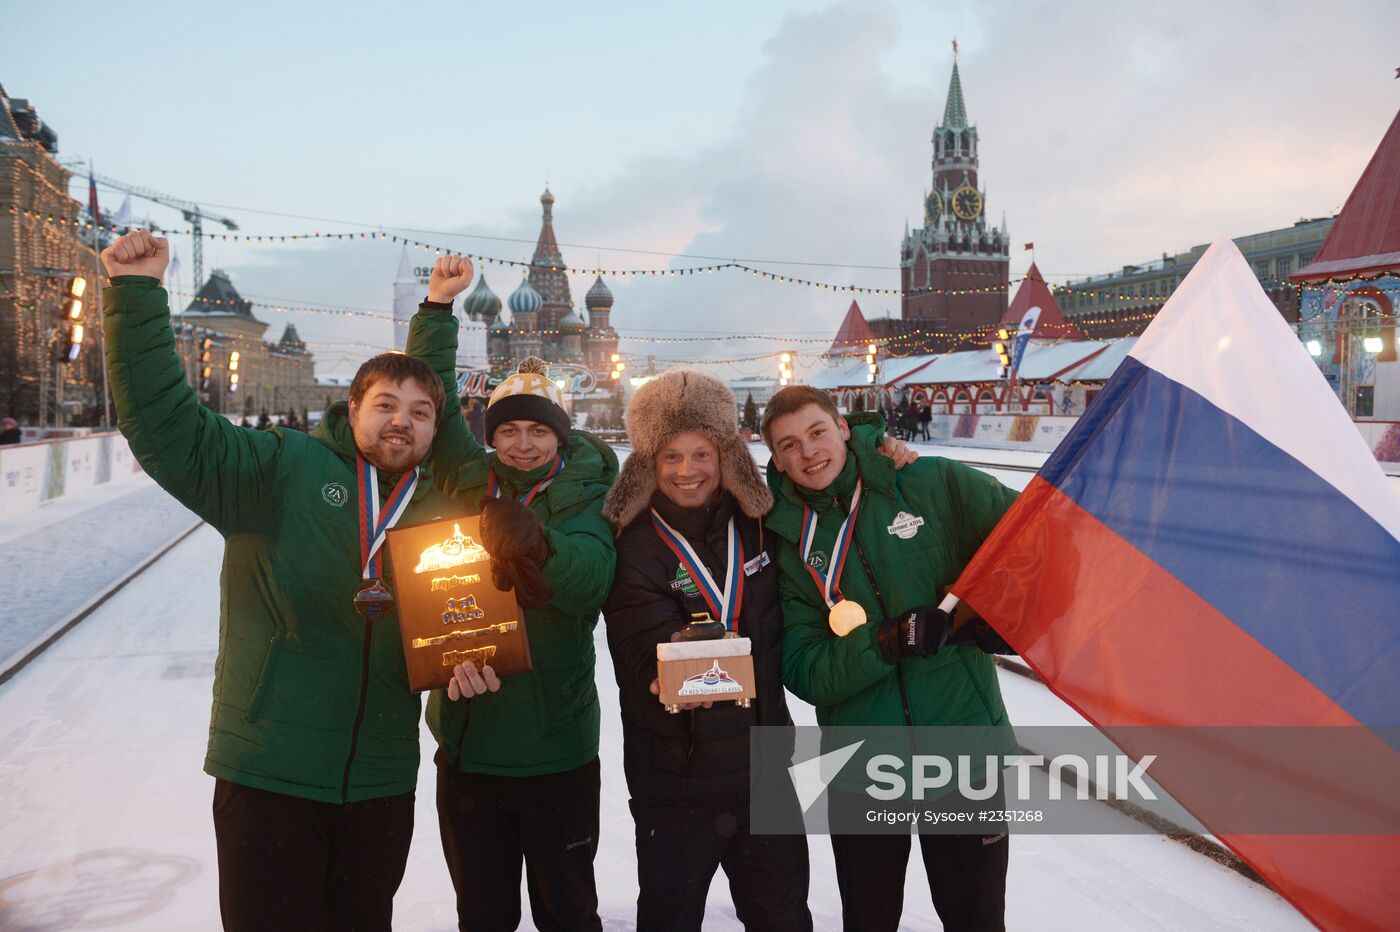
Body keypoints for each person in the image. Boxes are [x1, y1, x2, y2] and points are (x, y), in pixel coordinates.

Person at [100, 230, 460, 931]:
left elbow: (459, 622)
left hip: (383, 779)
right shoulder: (276, 468)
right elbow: (172, 433)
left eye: (420, 413)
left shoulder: (438, 508)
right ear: (350, 409)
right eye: (385, 403)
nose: (402, 421)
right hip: (272, 771)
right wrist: (138, 294)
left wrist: (437, 308)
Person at [404, 266, 618, 932]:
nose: (523, 443)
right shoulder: (471, 480)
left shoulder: (589, 495)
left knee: (569, 912)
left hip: (558, 751)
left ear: (560, 436)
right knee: (484, 913)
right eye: (509, 431)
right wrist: (438, 307)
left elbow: (591, 575)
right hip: (471, 747)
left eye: (539, 431)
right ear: (491, 435)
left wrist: (540, 544)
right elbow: (432, 404)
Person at [761, 384, 1019, 932]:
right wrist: (884, 643)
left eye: (816, 433)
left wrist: (1006, 616)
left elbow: (1031, 538)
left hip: (963, 749)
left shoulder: (929, 481)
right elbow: (804, 668)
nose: (808, 453)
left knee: (977, 919)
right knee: (870, 919)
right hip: (863, 767)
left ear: (844, 429)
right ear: (776, 460)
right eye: (789, 445)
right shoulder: (784, 539)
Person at [600, 369, 813, 932]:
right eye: (670, 456)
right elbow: (641, 646)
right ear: (648, 461)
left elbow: (828, 479)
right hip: (676, 778)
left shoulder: (761, 524)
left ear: (726, 455)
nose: (687, 470)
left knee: (784, 916)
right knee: (671, 919)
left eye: (701, 453)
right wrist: (665, 663)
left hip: (766, 769)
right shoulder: (634, 545)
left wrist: (879, 443)